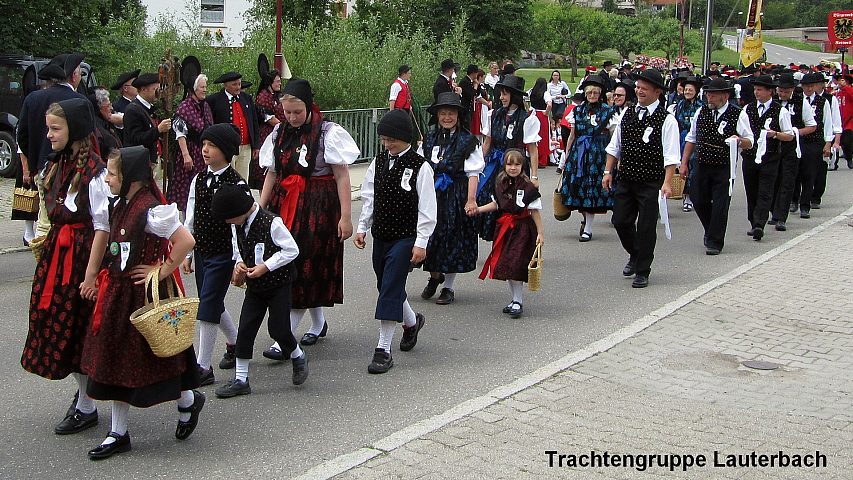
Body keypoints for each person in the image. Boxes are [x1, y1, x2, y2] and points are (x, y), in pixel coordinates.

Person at [81, 145, 203, 460]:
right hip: (118, 293)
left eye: (111, 173)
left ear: (131, 177)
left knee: (159, 355)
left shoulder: (151, 209)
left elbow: (185, 241)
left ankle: (188, 400)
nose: (106, 179)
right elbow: (103, 235)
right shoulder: (116, 204)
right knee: (114, 359)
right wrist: (92, 276)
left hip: (144, 293)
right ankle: (118, 433)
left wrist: (160, 269)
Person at [22, 97, 110, 434]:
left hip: (82, 259)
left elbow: (102, 227)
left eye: (55, 128)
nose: (48, 135)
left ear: (75, 130)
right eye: (48, 128)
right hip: (58, 261)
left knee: (81, 332)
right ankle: (86, 399)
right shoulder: (56, 166)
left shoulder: (96, 174)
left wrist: (90, 275)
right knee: (59, 328)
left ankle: (88, 404)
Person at [258, 79, 359, 356]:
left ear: (309, 106)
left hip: (318, 209)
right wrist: (261, 209)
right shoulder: (279, 132)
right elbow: (272, 173)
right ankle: (318, 323)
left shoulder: (328, 133)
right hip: (285, 205)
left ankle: (284, 337)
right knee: (289, 264)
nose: (291, 118)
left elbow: (341, 176)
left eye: (297, 112)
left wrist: (346, 217)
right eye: (287, 112)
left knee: (305, 266)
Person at [353, 109, 437, 374]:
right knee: (385, 284)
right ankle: (412, 323)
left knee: (390, 286)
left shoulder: (420, 166)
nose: (387, 144)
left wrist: (421, 241)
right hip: (382, 234)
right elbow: (369, 196)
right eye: (384, 139)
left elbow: (427, 208)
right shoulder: (378, 162)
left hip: (405, 236)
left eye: (392, 140)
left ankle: (383, 349)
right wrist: (362, 227)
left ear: (405, 138)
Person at [210, 183, 307, 398]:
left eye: (228, 218)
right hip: (255, 287)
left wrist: (266, 266)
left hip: (278, 284)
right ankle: (241, 379)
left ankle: (298, 356)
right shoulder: (237, 225)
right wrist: (239, 264)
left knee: (279, 329)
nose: (227, 223)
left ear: (240, 211)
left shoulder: (272, 223)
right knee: (245, 329)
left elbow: (292, 250)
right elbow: (238, 247)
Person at [602, 69, 680, 288]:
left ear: (657, 92)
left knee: (646, 227)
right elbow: (614, 146)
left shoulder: (667, 120)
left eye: (644, 88)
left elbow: (671, 154)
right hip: (626, 178)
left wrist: (667, 182)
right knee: (620, 221)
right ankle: (635, 253)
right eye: (637, 87)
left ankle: (643, 270)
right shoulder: (627, 114)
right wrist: (608, 172)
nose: (639, 91)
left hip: (651, 181)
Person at [181, 124, 244, 385]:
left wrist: (239, 258)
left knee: (206, 306)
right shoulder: (199, 179)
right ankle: (236, 342)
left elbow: (239, 227)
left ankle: (203, 366)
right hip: (202, 250)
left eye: (213, 146)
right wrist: (186, 250)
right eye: (204, 145)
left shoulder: (236, 183)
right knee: (213, 303)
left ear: (227, 151)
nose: (205, 150)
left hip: (223, 253)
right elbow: (191, 215)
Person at [418, 92, 484, 305]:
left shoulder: (468, 140)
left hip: (456, 194)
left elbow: (473, 172)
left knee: (451, 239)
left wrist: (471, 199)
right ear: (437, 115)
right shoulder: (429, 139)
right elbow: (419, 167)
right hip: (431, 194)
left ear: (458, 116)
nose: (447, 117)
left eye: (451, 113)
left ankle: (448, 287)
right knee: (431, 237)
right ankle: (435, 276)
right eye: (443, 113)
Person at [17, 53, 87, 241]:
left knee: (45, 218)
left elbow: (21, 136)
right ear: (73, 76)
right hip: (74, 170)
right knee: (68, 220)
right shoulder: (80, 101)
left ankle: (43, 261)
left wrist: (34, 161)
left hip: (42, 168)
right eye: (80, 73)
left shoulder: (33, 99)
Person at [679, 78, 753, 255]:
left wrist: (739, 140)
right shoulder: (701, 112)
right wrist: (684, 162)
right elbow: (692, 138)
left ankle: (715, 241)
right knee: (698, 199)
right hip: (702, 163)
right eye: (708, 94)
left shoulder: (738, 114)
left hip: (723, 166)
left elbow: (749, 141)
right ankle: (711, 229)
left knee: (720, 203)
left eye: (713, 95)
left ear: (725, 96)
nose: (709, 98)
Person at [475, 149, 543, 318]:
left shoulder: (528, 188)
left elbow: (534, 211)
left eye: (517, 164)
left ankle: (518, 300)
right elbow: (496, 204)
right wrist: (478, 210)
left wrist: (541, 233)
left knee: (515, 263)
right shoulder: (500, 184)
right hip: (505, 229)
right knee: (507, 264)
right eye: (509, 164)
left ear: (523, 166)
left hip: (522, 229)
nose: (513, 168)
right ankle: (514, 299)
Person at [478, 75, 541, 242]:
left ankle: (523, 241)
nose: (501, 97)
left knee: (517, 204)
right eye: (501, 94)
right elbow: (487, 144)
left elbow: (533, 150)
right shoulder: (493, 115)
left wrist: (534, 177)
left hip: (517, 166)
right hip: (496, 167)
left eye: (505, 94)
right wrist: (477, 168)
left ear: (514, 95)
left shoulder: (527, 118)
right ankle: (499, 240)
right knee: (495, 200)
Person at [739, 75, 794, 241]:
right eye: (755, 89)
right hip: (750, 156)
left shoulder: (780, 111)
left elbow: (790, 136)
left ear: (770, 91)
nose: (757, 92)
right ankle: (753, 220)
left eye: (760, 90)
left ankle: (759, 224)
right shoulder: (747, 109)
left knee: (765, 190)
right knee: (751, 190)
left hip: (770, 157)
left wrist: (775, 134)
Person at [560, 76, 615, 242]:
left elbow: (613, 137)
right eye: (589, 92)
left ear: (600, 94)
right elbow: (572, 135)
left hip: (598, 154)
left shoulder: (608, 112)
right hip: (580, 154)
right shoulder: (577, 111)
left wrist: (613, 159)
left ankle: (589, 227)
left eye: (595, 92)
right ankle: (586, 219)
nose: (592, 95)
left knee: (592, 188)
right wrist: (566, 154)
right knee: (578, 187)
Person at [769, 73, 817, 231]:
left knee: (787, 182)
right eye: (780, 91)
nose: (782, 94)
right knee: (773, 182)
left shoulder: (800, 102)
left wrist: (796, 132)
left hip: (791, 147)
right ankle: (773, 213)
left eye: (786, 91)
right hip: (772, 147)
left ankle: (781, 217)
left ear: (792, 90)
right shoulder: (772, 102)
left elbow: (812, 125)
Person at [792, 73, 835, 219]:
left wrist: (828, 142)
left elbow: (828, 122)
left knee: (809, 174)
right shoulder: (796, 101)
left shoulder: (823, 102)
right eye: (807, 86)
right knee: (795, 172)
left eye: (812, 86)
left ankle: (806, 205)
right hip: (798, 140)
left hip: (814, 141)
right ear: (802, 87)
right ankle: (794, 200)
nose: (809, 88)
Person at [171, 73, 214, 214]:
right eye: (202, 87)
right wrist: (186, 155)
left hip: (203, 152)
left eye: (205, 87)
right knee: (186, 189)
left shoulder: (205, 106)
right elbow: (180, 133)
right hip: (190, 153)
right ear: (194, 89)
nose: (205, 90)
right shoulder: (185, 107)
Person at [206, 71, 260, 183]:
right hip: (226, 147)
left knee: (242, 179)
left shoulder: (246, 98)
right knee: (227, 179)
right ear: (226, 85)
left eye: (239, 84)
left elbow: (254, 121)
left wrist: (256, 145)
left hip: (245, 147)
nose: (238, 87)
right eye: (234, 84)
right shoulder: (215, 100)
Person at [668, 76, 703, 213]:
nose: (688, 92)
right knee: (682, 166)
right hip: (682, 138)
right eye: (686, 89)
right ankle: (685, 196)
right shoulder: (679, 105)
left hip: (695, 139)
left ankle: (693, 196)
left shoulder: (701, 106)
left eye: (690, 90)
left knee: (693, 167)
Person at [123, 73, 172, 165]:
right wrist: (158, 130)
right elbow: (136, 139)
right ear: (143, 89)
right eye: (155, 89)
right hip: (139, 163)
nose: (158, 93)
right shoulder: (133, 110)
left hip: (151, 160)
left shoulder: (149, 108)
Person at [254, 67, 285, 189]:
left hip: (278, 133)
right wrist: (284, 127)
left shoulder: (276, 96)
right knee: (266, 168)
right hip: (266, 135)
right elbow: (270, 119)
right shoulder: (263, 97)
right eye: (277, 81)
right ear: (270, 83)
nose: (279, 83)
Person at [89, 87, 123, 157]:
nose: (111, 108)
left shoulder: (106, 123)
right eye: (108, 106)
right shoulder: (98, 129)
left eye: (110, 104)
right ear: (98, 108)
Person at [529, 77, 552, 169]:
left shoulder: (531, 91)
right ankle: (542, 160)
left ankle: (532, 158)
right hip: (541, 115)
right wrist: (546, 113)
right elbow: (549, 104)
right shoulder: (545, 93)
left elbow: (524, 97)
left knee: (533, 137)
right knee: (543, 137)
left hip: (533, 114)